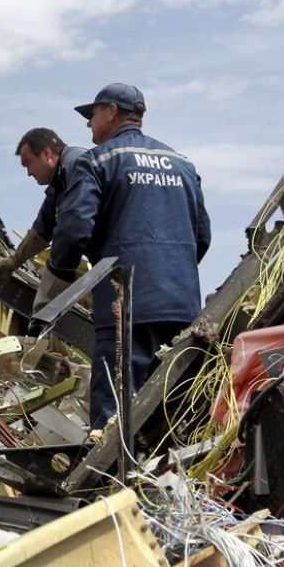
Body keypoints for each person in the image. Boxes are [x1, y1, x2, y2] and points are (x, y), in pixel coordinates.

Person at [47, 83, 211, 429]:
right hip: (181, 304)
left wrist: (59, 271)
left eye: (91, 115)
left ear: (110, 110)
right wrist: (171, 272)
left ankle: (112, 484)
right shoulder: (182, 163)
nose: (89, 125)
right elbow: (202, 236)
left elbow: (75, 227)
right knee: (175, 408)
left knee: (115, 419)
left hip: (126, 305)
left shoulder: (96, 161)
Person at [0, 129, 85, 312]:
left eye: (28, 164)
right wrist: (14, 260)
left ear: (47, 154)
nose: (28, 173)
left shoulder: (78, 166)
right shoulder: (59, 181)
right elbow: (42, 229)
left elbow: (74, 229)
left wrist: (54, 283)